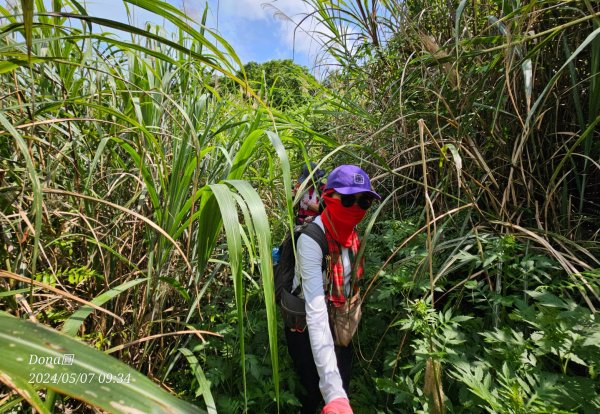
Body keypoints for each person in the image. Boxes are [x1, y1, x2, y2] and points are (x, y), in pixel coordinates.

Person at [285, 165, 380, 414]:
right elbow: (315, 313)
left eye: (365, 201)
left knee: (344, 378)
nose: (356, 207)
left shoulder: (354, 236)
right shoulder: (311, 239)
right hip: (305, 326)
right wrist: (333, 393)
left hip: (340, 321)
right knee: (312, 391)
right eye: (348, 199)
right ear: (328, 196)